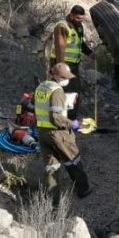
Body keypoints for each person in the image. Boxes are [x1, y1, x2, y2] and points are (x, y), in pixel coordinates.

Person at [33, 63, 93, 198]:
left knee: (51, 167)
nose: (67, 80)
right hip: (58, 133)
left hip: (43, 132)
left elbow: (40, 107)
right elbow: (56, 117)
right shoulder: (57, 91)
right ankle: (84, 190)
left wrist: (64, 103)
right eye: (64, 77)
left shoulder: (42, 86)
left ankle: (53, 201)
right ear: (55, 76)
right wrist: (73, 124)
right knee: (73, 160)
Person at [45, 5, 93, 119]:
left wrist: (90, 53)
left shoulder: (79, 26)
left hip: (74, 65)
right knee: (61, 90)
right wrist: (61, 67)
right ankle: (57, 118)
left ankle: (70, 118)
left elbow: (80, 42)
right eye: (77, 18)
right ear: (71, 15)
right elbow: (60, 47)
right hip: (61, 64)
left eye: (81, 19)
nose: (80, 21)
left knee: (74, 92)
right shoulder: (62, 26)